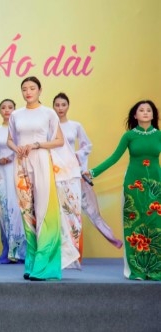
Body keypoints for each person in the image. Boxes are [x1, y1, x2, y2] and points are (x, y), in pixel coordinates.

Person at [6, 76, 80, 281]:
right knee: (27, 211)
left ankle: (44, 265)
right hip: (20, 162)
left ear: (39, 90)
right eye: (24, 89)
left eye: (32, 88)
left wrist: (38, 145)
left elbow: (58, 140)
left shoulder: (48, 113)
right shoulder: (16, 114)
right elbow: (10, 140)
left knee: (44, 209)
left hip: (41, 160)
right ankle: (30, 263)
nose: (28, 92)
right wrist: (17, 148)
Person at [85, 100, 161, 280]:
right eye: (141, 110)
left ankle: (155, 269)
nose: (145, 113)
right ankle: (137, 269)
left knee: (155, 225)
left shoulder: (159, 135)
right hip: (133, 185)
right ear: (135, 115)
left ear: (153, 115)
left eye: (148, 110)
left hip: (156, 186)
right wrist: (93, 172)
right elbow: (114, 158)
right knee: (133, 225)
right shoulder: (129, 136)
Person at [54, 92, 123, 251]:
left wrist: (76, 157)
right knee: (57, 212)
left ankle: (74, 251)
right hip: (55, 172)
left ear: (68, 106)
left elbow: (87, 146)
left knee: (73, 210)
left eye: (63, 105)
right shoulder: (50, 127)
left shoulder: (75, 126)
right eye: (57, 105)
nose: (60, 108)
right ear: (53, 107)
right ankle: (59, 251)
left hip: (72, 172)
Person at [0, 98, 26, 263]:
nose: (7, 110)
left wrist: (13, 156)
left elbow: (25, 149)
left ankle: (20, 251)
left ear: (15, 110)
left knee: (18, 210)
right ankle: (7, 250)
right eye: (3, 107)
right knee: (3, 209)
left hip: (16, 172)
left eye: (10, 107)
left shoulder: (19, 131)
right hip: (0, 173)